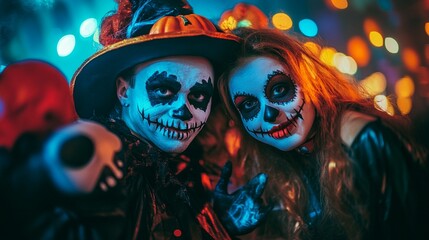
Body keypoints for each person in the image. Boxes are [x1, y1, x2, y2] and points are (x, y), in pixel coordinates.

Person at [70, 0, 270, 239]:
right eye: (164, 90)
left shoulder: (182, 168)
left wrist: (215, 225)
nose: (183, 111)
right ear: (124, 92)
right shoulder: (105, 171)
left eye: (198, 95)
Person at [216, 27, 429, 239]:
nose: (270, 114)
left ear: (308, 80)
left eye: (279, 89)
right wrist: (226, 233)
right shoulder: (273, 170)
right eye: (249, 105)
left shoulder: (365, 141)